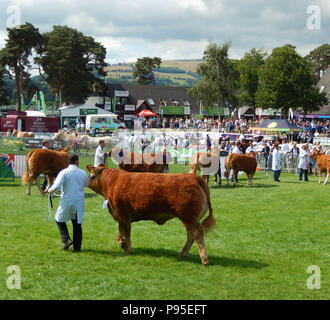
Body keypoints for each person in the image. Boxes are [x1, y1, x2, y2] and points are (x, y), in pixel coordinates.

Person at [47, 154, 90, 251]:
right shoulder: (82, 172)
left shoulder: (64, 172)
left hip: (67, 199)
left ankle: (66, 239)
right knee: (77, 224)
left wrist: (50, 190)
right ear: (77, 162)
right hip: (79, 201)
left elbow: (57, 185)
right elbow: (87, 183)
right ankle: (77, 248)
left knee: (59, 219)